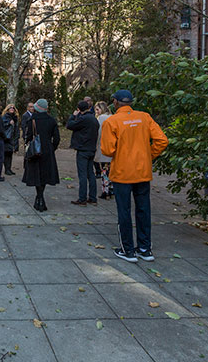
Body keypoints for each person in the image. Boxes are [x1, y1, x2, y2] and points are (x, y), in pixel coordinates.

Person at [100, 89, 168, 263]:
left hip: (122, 172)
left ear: (115, 102)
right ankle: (145, 249)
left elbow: (108, 150)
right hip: (142, 171)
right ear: (130, 102)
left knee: (124, 211)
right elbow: (162, 141)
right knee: (144, 209)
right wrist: (148, 155)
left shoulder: (112, 121)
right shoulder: (144, 117)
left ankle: (128, 250)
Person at [22, 99, 60, 211]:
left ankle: (39, 197)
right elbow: (57, 138)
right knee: (45, 175)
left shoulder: (32, 120)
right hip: (47, 150)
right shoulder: (52, 120)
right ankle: (40, 198)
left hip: (35, 150)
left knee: (36, 174)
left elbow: (28, 137)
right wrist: (52, 148)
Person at [67, 100, 100, 205]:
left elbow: (70, 125)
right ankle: (92, 197)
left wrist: (73, 116)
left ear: (78, 109)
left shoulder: (83, 119)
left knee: (82, 174)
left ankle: (82, 198)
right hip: (91, 148)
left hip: (83, 149)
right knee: (91, 173)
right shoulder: (94, 119)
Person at [93, 101, 113, 200]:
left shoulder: (101, 118)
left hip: (103, 147)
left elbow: (98, 133)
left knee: (104, 171)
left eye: (97, 109)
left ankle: (106, 191)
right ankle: (111, 189)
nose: (96, 112)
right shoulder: (112, 117)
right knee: (111, 170)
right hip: (113, 147)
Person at [2, 104, 19, 175]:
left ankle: (9, 168)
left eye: (13, 108)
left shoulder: (15, 117)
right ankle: (7, 169)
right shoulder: (5, 116)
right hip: (7, 138)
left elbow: (16, 128)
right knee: (7, 153)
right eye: (10, 108)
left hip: (13, 137)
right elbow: (3, 125)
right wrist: (8, 123)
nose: (12, 109)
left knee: (10, 153)